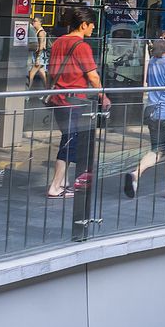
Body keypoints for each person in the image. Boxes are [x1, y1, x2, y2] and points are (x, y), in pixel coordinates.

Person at [45, 12, 108, 197]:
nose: (93, 27)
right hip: (73, 101)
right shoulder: (82, 46)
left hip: (57, 99)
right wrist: (102, 96)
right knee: (69, 142)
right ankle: (55, 187)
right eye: (92, 24)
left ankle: (63, 181)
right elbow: (93, 76)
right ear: (83, 25)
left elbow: (50, 71)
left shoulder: (58, 42)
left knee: (67, 138)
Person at [124, 32, 165, 199]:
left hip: (153, 111)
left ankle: (136, 173)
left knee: (157, 150)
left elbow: (147, 82)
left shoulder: (153, 61)